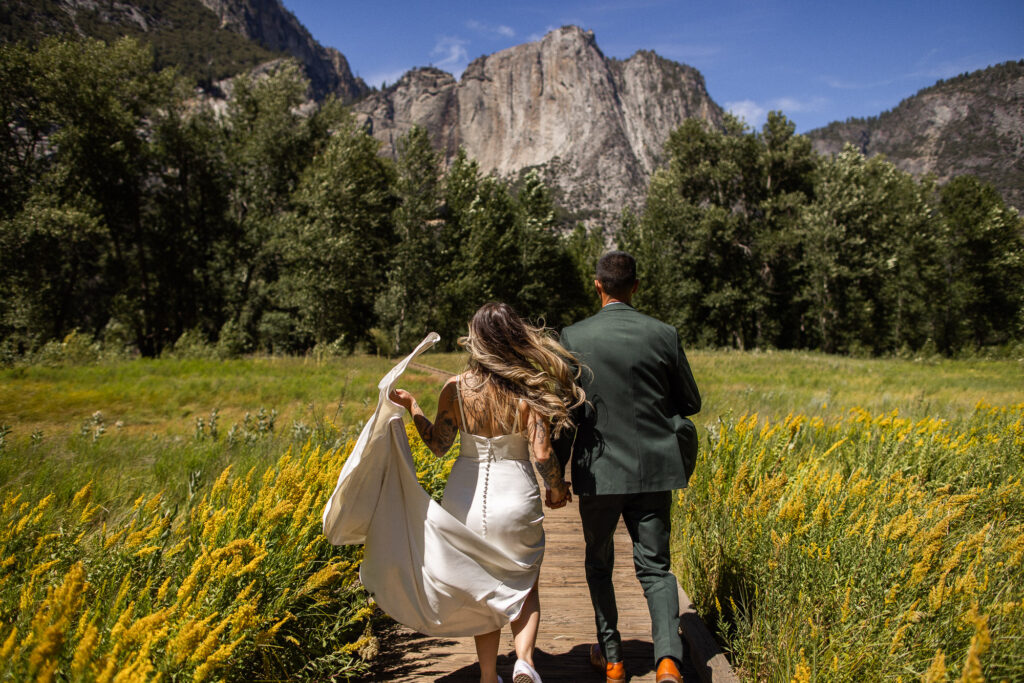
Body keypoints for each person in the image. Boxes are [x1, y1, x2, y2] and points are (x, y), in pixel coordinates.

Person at [389, 302, 584, 683]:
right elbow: (542, 453)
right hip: (515, 495)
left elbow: (439, 445)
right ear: (513, 338)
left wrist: (413, 406)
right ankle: (525, 662)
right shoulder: (530, 388)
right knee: (524, 580)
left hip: (464, 495)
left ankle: (488, 674)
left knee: (483, 586)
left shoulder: (454, 389)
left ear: (475, 341)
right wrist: (557, 488)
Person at [555, 251, 701, 683]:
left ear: (597, 285)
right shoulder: (664, 334)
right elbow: (691, 402)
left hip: (597, 471)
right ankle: (668, 661)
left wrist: (556, 476)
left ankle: (615, 659)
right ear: (636, 286)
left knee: (598, 563)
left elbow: (566, 415)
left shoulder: (573, 336)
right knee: (655, 567)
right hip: (655, 469)